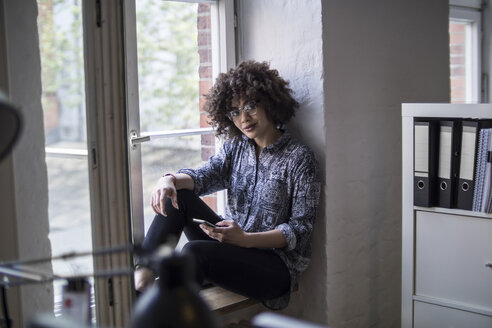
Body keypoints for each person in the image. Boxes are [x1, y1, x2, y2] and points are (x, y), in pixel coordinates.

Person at [134, 60, 320, 310]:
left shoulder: (299, 158)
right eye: (234, 112)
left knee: (193, 252)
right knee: (178, 195)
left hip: (275, 266)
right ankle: (143, 275)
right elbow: (204, 177)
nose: (243, 118)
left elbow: (300, 230)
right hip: (233, 246)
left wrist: (245, 239)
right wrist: (168, 179)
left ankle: (159, 309)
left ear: (269, 100)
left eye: (250, 106)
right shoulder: (236, 147)